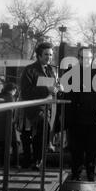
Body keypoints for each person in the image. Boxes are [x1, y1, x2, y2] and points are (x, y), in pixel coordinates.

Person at [20, 42, 61, 170]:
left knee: (46, 130)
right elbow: (26, 92)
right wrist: (46, 90)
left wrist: (58, 89)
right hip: (35, 108)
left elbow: (54, 88)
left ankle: (39, 158)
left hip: (50, 107)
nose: (49, 57)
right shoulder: (29, 70)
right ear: (38, 55)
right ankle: (38, 160)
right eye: (46, 55)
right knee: (43, 128)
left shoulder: (51, 70)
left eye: (51, 55)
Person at [67, 47, 96, 181]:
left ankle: (90, 173)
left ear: (92, 58)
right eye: (82, 58)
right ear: (79, 58)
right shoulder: (71, 72)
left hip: (94, 118)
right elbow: (67, 92)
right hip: (76, 118)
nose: (85, 60)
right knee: (76, 149)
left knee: (91, 150)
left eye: (88, 58)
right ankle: (76, 173)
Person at [0, 82, 18, 167]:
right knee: (15, 144)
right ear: (13, 90)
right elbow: (12, 112)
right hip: (8, 125)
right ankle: (14, 164)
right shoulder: (10, 98)